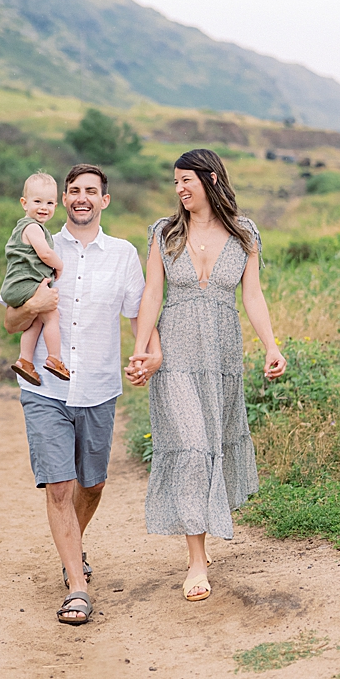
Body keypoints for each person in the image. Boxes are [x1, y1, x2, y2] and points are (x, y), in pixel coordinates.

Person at [126, 148, 286, 601]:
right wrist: (141, 351)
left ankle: (201, 526)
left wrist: (271, 346)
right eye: (175, 182)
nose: (179, 189)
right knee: (193, 448)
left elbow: (252, 296)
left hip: (221, 355)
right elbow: (152, 293)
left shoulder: (244, 234)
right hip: (174, 354)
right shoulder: (164, 233)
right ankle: (196, 561)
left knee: (211, 445)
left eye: (186, 180)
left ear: (211, 179)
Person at [3, 163, 145, 627]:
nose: (81, 198)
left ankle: (72, 548)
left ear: (104, 200)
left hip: (100, 387)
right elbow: (10, 321)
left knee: (93, 484)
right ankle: (76, 586)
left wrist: (149, 355)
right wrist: (34, 306)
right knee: (59, 486)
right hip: (44, 387)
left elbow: (138, 316)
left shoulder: (123, 254)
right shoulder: (38, 241)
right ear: (63, 199)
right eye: (73, 191)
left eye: (91, 191)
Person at [3, 172, 70, 386]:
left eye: (49, 202)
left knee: (34, 323)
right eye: (37, 201)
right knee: (52, 316)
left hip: (17, 286)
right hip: (25, 285)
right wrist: (59, 265)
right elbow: (45, 254)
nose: (44, 207)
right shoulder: (32, 227)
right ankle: (54, 359)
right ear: (24, 203)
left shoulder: (30, 227)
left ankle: (25, 361)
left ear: (56, 205)